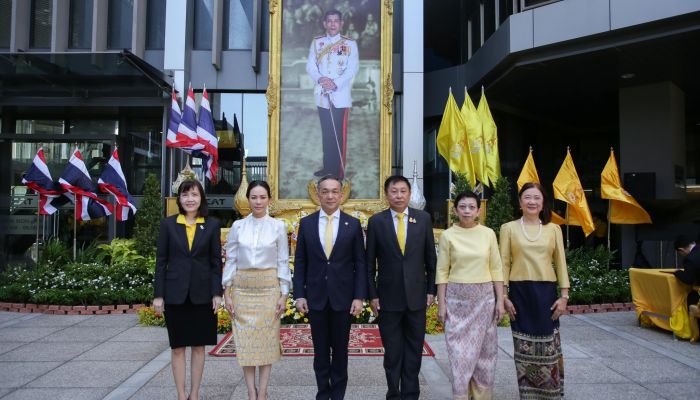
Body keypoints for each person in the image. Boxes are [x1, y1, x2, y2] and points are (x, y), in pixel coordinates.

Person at [293, 175, 367, 400]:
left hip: (343, 298)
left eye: (334, 191)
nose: (330, 195)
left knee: (341, 351)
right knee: (321, 352)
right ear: (317, 194)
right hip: (315, 298)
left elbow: (360, 263)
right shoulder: (306, 224)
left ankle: (338, 395)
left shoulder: (353, 224)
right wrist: (299, 295)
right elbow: (301, 262)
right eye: (325, 191)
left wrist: (359, 297)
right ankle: (322, 394)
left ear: (342, 194)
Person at [366, 175, 437, 400]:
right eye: (394, 191)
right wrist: (372, 295)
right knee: (393, 351)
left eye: (403, 191)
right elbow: (370, 264)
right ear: (386, 194)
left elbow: (430, 260)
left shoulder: (423, 219)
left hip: (417, 297)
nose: (398, 195)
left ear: (409, 194)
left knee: (414, 350)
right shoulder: (377, 222)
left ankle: (411, 393)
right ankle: (393, 392)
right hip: (388, 298)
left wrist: (431, 291)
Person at [153, 179, 223, 400]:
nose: (190, 199)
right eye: (185, 195)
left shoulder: (211, 224)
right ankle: (181, 395)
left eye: (194, 194)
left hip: (202, 295)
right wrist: (158, 295)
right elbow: (161, 261)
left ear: (201, 198)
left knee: (199, 347)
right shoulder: (168, 224)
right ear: (179, 199)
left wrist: (217, 293)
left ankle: (194, 394)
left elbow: (215, 262)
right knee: (178, 348)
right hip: (175, 295)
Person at [499, 182, 570, 399]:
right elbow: (503, 263)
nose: (532, 201)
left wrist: (564, 296)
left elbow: (561, 263)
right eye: (527, 197)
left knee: (549, 345)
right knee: (523, 348)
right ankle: (529, 394)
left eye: (536, 198)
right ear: (520, 202)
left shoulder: (553, 229)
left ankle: (550, 392)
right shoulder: (508, 228)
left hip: (546, 293)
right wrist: (503, 296)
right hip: (520, 294)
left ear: (542, 203)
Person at [222, 181, 291, 400]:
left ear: (269, 199)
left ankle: (262, 391)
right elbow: (231, 259)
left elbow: (282, 261)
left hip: (268, 289)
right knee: (246, 342)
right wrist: (227, 291)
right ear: (248, 199)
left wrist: (284, 293)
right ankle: (251, 391)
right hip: (242, 290)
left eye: (262, 197)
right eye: (254, 197)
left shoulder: (278, 226)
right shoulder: (238, 227)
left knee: (266, 342)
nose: (258, 202)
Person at [436, 191, 504, 400]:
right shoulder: (448, 235)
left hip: (484, 299)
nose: (467, 211)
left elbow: (496, 268)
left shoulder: (488, 233)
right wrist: (441, 304)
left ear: (478, 210)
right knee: (460, 353)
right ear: (455, 210)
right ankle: (461, 394)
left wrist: (500, 301)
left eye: (471, 207)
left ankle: (482, 395)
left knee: (485, 351)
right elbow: (442, 271)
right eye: (462, 206)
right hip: (457, 300)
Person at [306, 9, 359, 179]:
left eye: (336, 21)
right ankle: (328, 167)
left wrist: (334, 83)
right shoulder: (317, 43)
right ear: (324, 24)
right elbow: (311, 66)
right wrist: (321, 79)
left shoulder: (350, 44)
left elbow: (352, 69)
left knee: (338, 134)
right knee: (327, 133)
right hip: (322, 95)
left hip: (340, 96)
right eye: (329, 21)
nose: (333, 24)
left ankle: (338, 171)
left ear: (341, 23)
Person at [673, 235, 700, 336]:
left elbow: (688, 279)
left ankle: (696, 333)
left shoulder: (690, 259)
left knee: (691, 296)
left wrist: (677, 272)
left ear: (681, 250)